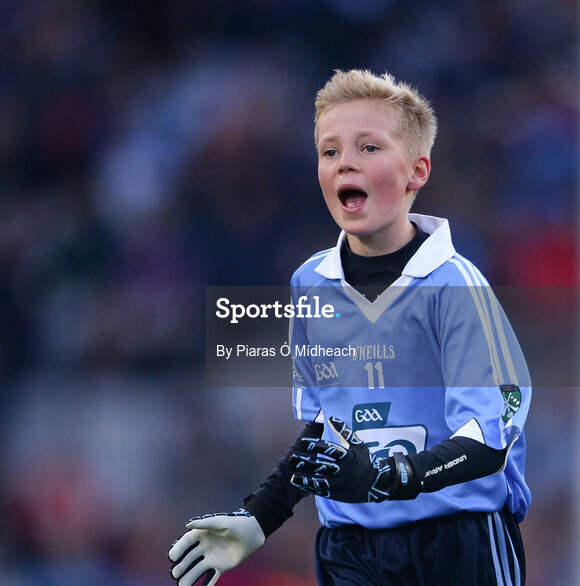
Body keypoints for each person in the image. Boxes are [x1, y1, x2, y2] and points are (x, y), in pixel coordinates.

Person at [169, 69, 531, 586]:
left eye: (368, 148)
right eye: (331, 151)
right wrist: (262, 515)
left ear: (417, 171)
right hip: (351, 549)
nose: (346, 165)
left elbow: (490, 439)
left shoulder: (455, 285)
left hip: (455, 541)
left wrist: (394, 475)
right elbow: (328, 429)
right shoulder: (310, 283)